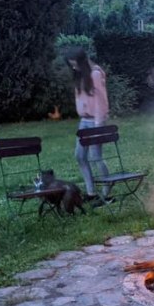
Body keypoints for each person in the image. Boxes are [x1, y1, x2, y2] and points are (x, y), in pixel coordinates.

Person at [65, 47, 110, 205]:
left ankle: (106, 192)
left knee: (96, 157)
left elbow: (101, 101)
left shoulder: (95, 74)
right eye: (71, 65)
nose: (73, 68)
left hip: (94, 121)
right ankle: (91, 192)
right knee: (79, 155)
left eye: (75, 64)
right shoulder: (80, 75)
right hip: (83, 121)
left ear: (82, 61)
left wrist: (98, 125)